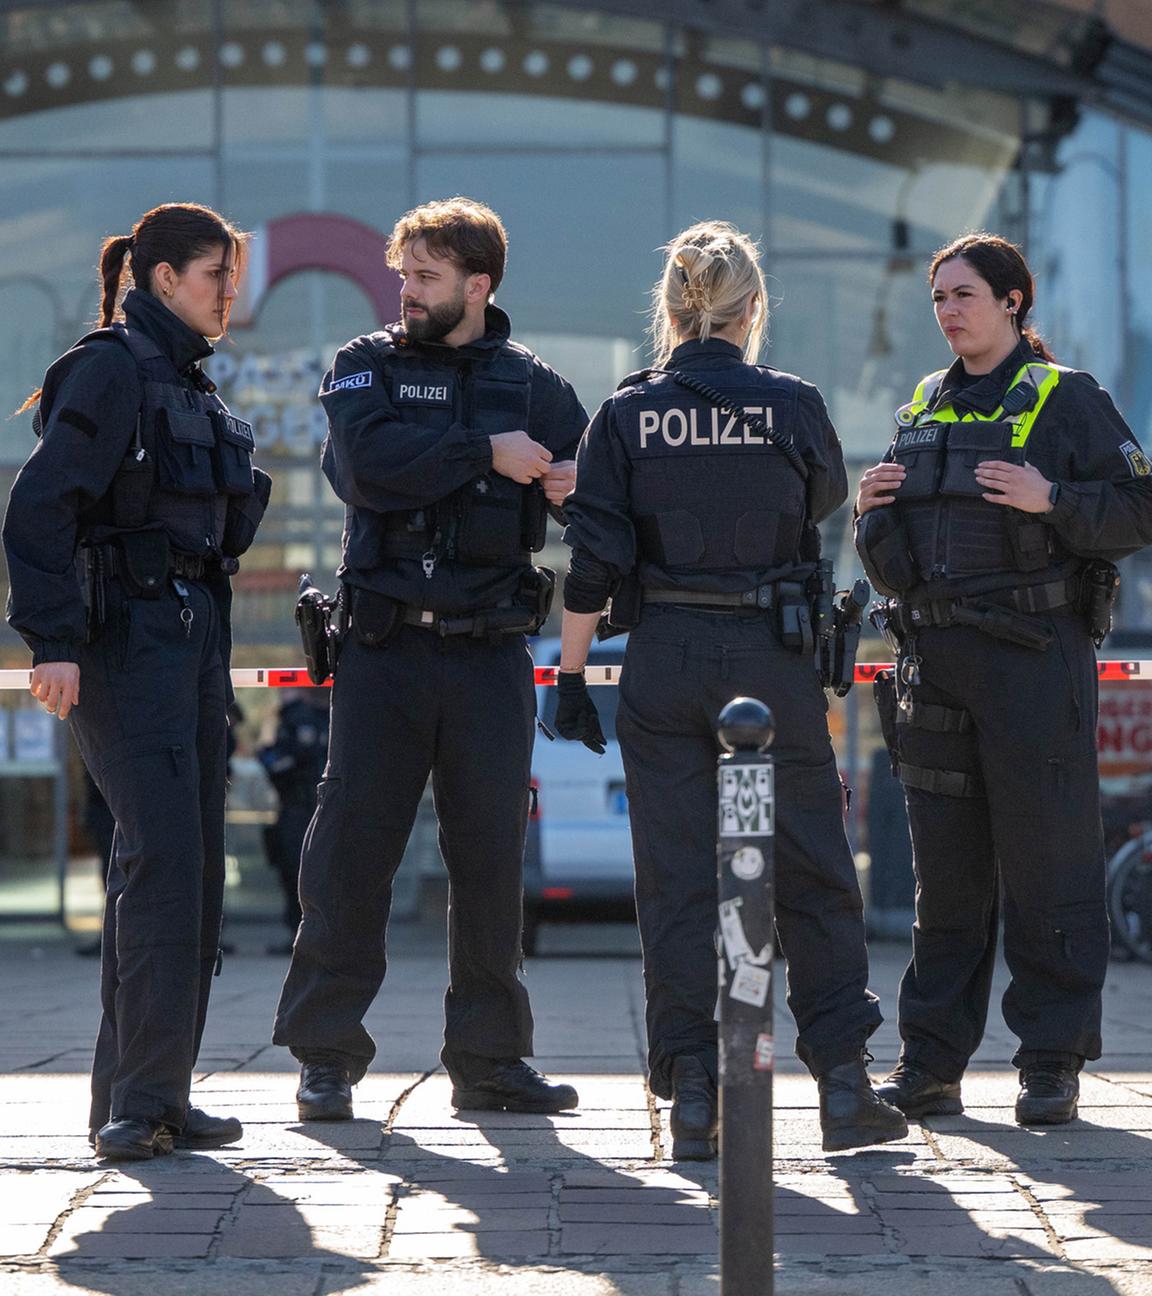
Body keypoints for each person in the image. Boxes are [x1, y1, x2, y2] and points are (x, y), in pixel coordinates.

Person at [555, 220, 907, 1159]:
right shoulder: (792, 405)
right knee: (813, 874)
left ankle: (694, 1098)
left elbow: (590, 562)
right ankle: (841, 1086)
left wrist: (571, 675)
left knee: (674, 883)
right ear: (753, 309)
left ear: (670, 310)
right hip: (770, 658)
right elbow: (824, 501)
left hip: (663, 658)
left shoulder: (627, 413)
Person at [272, 197, 589, 1120]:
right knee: (351, 854)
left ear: (478, 285)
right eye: (401, 274)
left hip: (491, 652)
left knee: (491, 861)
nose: (403, 292)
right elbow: (368, 471)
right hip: (383, 647)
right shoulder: (363, 366)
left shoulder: (533, 384)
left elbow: (595, 499)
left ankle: (490, 1063)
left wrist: (572, 486)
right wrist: (488, 451)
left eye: (425, 277)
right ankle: (326, 1057)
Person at [855, 232, 1152, 1125]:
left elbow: (1140, 508)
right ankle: (930, 1066)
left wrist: (1051, 499)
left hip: (1033, 662)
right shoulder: (923, 405)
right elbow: (894, 560)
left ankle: (1051, 1064)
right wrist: (873, 515)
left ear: (1013, 301)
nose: (948, 310)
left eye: (965, 295)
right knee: (943, 881)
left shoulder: (1069, 401)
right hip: (934, 666)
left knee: (1048, 867)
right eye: (939, 296)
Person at [3, 203, 270, 1161]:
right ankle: (143, 1102)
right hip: (125, 645)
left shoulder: (192, 383)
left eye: (231, 276)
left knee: (187, 872)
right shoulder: (111, 368)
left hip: (191, 643)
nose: (228, 291)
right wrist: (53, 642)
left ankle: (146, 1093)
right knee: (162, 862)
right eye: (213, 276)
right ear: (162, 279)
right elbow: (38, 511)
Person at [257, 688, 330, 954]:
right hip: (301, 808)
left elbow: (274, 761)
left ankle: (307, 936)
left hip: (302, 809)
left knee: (302, 873)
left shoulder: (298, 718)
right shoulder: (303, 718)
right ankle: (303, 936)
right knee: (298, 873)